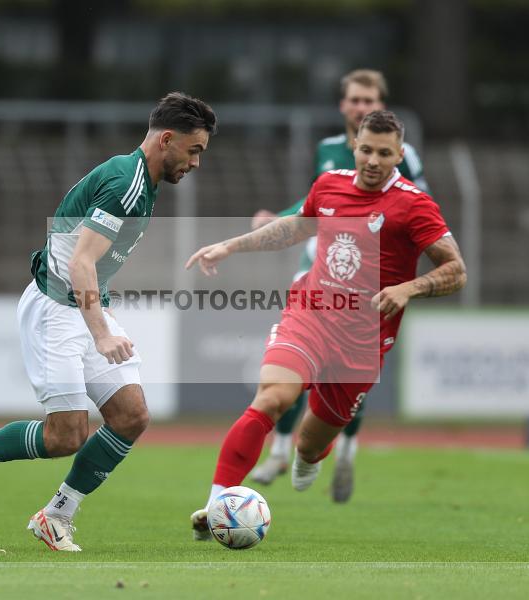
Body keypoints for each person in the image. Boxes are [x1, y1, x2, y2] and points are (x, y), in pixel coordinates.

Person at [0, 92, 217, 552]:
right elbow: (81, 263)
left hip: (82, 306)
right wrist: (100, 332)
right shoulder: (127, 185)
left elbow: (86, 256)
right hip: (55, 310)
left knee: (131, 416)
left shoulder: (140, 179)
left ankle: (56, 515)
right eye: (194, 150)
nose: (197, 162)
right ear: (167, 139)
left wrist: (101, 312)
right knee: (66, 435)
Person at [185, 110, 465, 540]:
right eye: (367, 149)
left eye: (384, 154)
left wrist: (409, 289)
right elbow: (294, 229)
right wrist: (230, 246)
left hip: (362, 342)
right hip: (310, 314)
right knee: (272, 398)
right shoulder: (329, 184)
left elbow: (455, 270)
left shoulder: (414, 205)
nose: (373, 160)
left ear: (399, 156)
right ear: (355, 145)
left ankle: (307, 456)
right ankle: (215, 505)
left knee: (310, 444)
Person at [249, 69, 431, 503]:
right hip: (319, 270)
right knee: (295, 360)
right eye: (354, 99)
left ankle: (345, 449)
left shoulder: (404, 155)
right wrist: (281, 218)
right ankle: (279, 449)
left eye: (369, 100)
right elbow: (317, 202)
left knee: (352, 374)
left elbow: (421, 207)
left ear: (380, 106)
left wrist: (407, 276)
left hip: (373, 282)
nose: (361, 107)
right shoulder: (328, 150)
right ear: (343, 106)